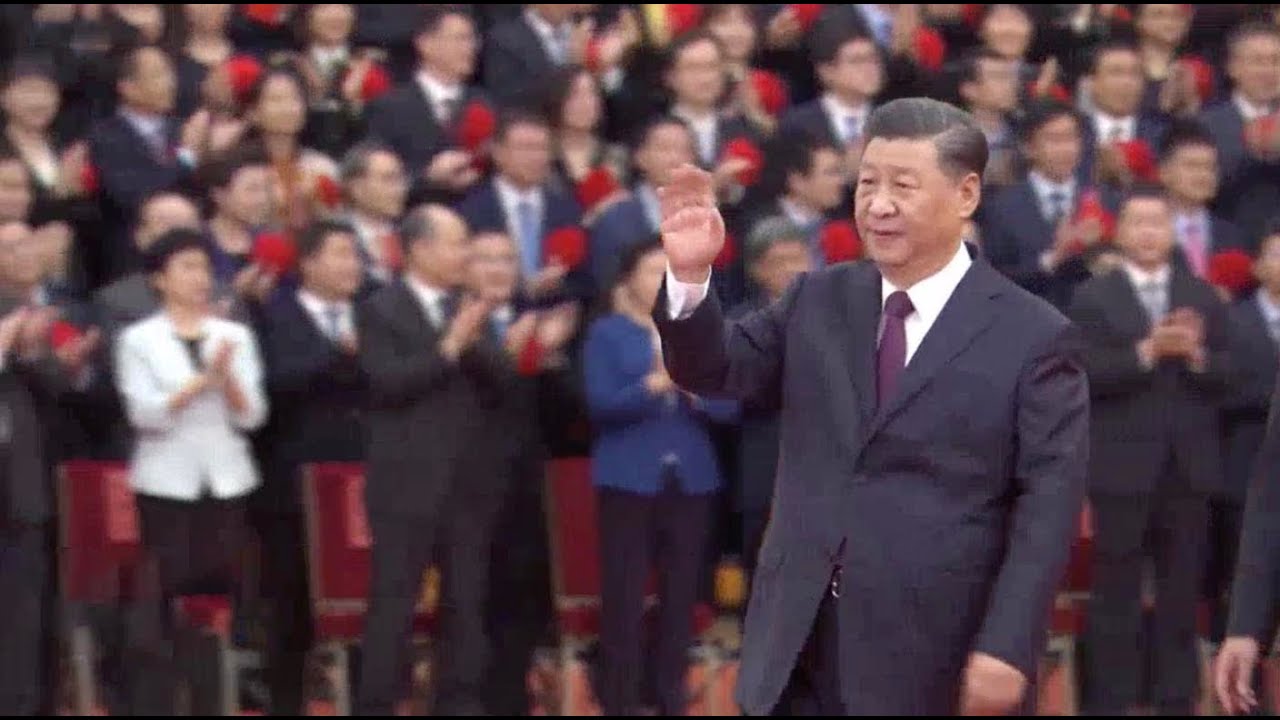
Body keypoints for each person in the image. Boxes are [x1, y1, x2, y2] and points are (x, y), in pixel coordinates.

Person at [651, 96, 1090, 715]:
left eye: (902, 187)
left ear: (965, 195)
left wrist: (1008, 645)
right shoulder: (819, 298)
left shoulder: (1034, 336)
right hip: (797, 638)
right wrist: (691, 277)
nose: (878, 205)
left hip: (935, 652)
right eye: (867, 184)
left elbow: (1048, 507)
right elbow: (713, 369)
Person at [113, 228, 268, 714]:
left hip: (228, 480)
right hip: (165, 483)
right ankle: (155, 700)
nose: (200, 277)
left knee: (231, 595)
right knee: (161, 597)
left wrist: (228, 386)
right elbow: (146, 415)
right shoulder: (138, 339)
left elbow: (253, 416)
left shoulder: (235, 335)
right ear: (160, 279)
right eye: (187, 268)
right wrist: (203, 381)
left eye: (204, 267)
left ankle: (221, 695)